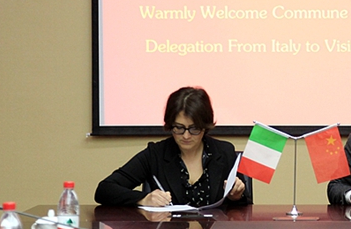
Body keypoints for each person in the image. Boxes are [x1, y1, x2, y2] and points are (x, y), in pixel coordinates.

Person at [95, 87, 249, 207]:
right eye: (179, 128)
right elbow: (105, 189)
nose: (186, 136)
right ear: (170, 124)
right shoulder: (155, 154)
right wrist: (143, 199)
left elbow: (244, 205)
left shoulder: (223, 152)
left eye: (194, 129)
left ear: (205, 126)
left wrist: (236, 196)